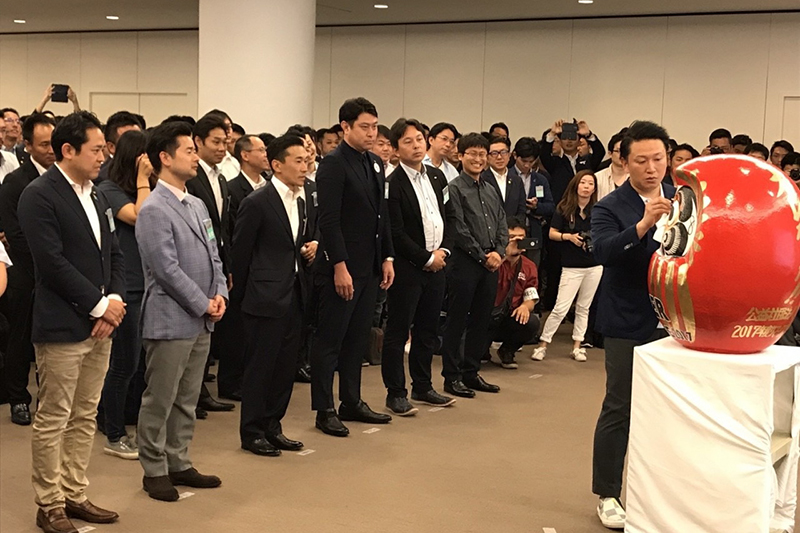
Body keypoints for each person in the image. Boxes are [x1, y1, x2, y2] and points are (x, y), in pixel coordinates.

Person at [19, 111, 126, 532]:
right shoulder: (39, 194)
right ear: (68, 150)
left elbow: (115, 254)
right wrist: (99, 306)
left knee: (85, 415)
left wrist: (113, 301)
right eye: (96, 150)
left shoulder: (97, 194)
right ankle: (49, 504)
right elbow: (51, 262)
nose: (103, 157)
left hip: (101, 322)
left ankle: (74, 493)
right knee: (54, 418)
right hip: (63, 324)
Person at [135, 121, 228, 502]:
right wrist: (202, 301)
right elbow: (166, 269)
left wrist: (219, 293)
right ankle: (154, 468)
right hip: (171, 317)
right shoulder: (154, 208)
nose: (195, 157)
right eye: (189, 150)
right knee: (160, 397)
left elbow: (214, 253)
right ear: (165, 157)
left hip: (202, 318)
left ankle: (179, 460)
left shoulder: (197, 203)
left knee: (187, 398)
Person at [590, 120, 675, 530]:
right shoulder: (610, 206)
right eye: (641, 160)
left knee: (670, 408)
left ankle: (662, 490)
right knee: (619, 405)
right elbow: (604, 252)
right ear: (624, 161)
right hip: (626, 318)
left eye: (658, 159)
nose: (651, 168)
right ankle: (607, 493)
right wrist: (642, 225)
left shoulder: (683, 198)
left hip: (675, 321)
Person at [312, 97, 395, 437]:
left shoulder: (373, 162)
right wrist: (339, 265)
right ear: (345, 127)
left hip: (369, 266)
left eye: (374, 127)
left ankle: (351, 400)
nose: (372, 133)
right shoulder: (333, 164)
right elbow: (329, 221)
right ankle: (324, 408)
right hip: (342, 267)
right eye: (365, 127)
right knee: (330, 340)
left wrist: (387, 257)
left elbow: (381, 215)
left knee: (357, 339)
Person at [232, 134, 315, 456]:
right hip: (263, 297)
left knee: (285, 367)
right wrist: (244, 297)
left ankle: (273, 426)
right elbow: (241, 254)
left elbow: (296, 243)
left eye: (307, 160)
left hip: (294, 293)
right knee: (260, 368)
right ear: (277, 165)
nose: (305, 166)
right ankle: (252, 431)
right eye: (298, 161)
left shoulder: (302, 201)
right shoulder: (257, 202)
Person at [382, 118, 456, 415]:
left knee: (428, 330)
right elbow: (395, 232)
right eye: (407, 141)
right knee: (398, 331)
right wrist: (426, 258)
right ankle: (395, 393)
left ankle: (423, 386)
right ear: (396, 149)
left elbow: (450, 217)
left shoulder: (437, 177)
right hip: (408, 268)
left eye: (419, 140)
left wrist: (443, 251)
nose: (415, 146)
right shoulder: (392, 183)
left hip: (438, 265)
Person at [96, 130, 154, 460]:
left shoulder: (145, 190)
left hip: (148, 285)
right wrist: (144, 181)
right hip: (126, 287)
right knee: (123, 364)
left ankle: (123, 420)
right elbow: (141, 219)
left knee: (140, 364)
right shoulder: (109, 190)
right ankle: (114, 433)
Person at [441, 133, 508, 397]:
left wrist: (499, 252)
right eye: (473, 154)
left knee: (481, 320)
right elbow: (458, 228)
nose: (479, 159)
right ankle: (451, 377)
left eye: (483, 154)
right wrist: (483, 256)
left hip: (491, 263)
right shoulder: (454, 188)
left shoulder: (490, 189)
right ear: (460, 156)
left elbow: (502, 223)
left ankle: (471, 372)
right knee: (457, 321)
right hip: (465, 263)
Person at [0, 113, 55, 426]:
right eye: (44, 144)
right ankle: (18, 398)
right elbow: (15, 234)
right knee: (21, 339)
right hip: (25, 272)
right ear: (28, 145)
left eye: (54, 143)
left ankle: (49, 398)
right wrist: (48, 259)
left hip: (56, 275)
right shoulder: (15, 182)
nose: (51, 150)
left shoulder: (63, 179)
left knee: (51, 342)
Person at [186, 114, 236, 413]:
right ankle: (194, 393)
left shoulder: (221, 177)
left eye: (225, 142)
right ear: (198, 141)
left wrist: (226, 267)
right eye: (215, 142)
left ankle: (200, 390)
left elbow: (222, 228)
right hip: (194, 262)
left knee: (210, 327)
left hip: (216, 260)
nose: (221, 148)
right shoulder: (191, 178)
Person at [532, 171, 603, 363]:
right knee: (560, 308)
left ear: (594, 188)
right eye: (583, 182)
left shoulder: (598, 209)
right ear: (576, 185)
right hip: (572, 266)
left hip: (594, 265)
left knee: (584, 307)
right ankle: (543, 344)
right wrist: (569, 237)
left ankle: (578, 346)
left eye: (590, 184)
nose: (586, 187)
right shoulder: (564, 208)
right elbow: (552, 233)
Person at [488, 216, 541, 369]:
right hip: (486, 315)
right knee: (470, 357)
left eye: (521, 238)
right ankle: (481, 349)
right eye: (512, 237)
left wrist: (525, 307)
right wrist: (504, 253)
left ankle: (507, 350)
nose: (517, 241)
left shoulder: (529, 266)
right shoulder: (492, 259)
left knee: (532, 322)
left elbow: (531, 296)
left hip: (509, 316)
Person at [508, 137, 553, 267]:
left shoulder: (540, 179)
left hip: (533, 231)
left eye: (531, 162)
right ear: (515, 155)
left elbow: (551, 207)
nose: (527, 165)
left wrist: (536, 206)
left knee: (531, 268)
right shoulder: (507, 176)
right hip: (511, 232)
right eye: (524, 161)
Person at [482, 135, 526, 218]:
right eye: (494, 153)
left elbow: (522, 211)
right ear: (487, 157)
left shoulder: (517, 180)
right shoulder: (482, 180)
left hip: (514, 225)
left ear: (509, 155)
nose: (499, 157)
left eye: (503, 152)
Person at [97, 111, 142, 183]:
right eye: (129, 141)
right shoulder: (103, 178)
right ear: (111, 147)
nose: (137, 145)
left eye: (139, 139)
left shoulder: (151, 173)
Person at [595, 131, 628, 200]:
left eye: (625, 151)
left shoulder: (637, 177)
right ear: (610, 153)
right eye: (618, 151)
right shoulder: (597, 178)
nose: (622, 155)